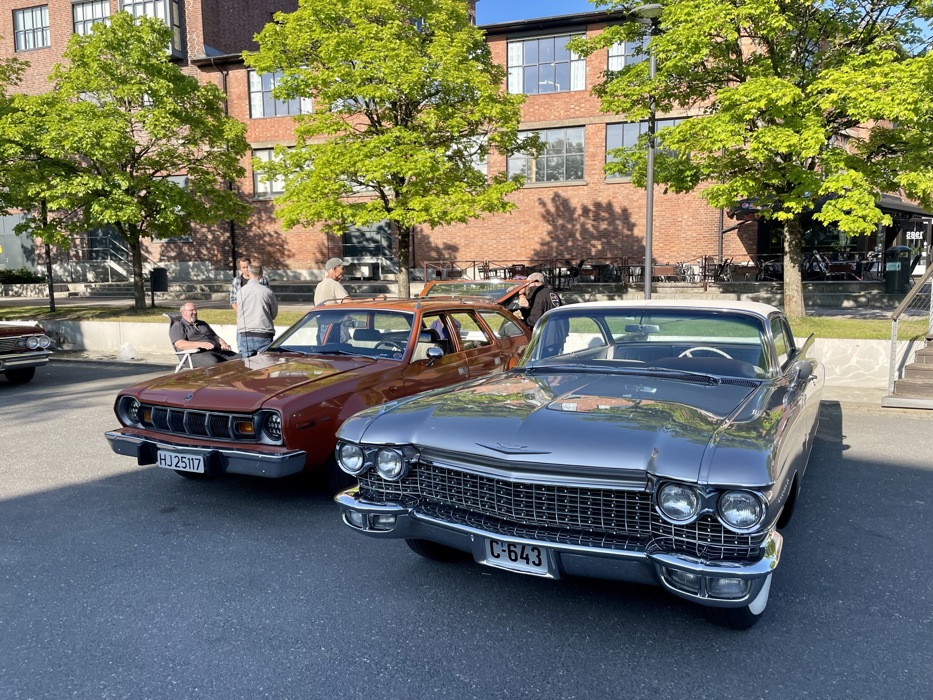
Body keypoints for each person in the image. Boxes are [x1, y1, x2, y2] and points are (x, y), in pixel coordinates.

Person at [169, 302, 239, 367]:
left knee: (241, 359)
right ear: (183, 312)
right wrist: (201, 344)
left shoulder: (202, 323)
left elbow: (215, 336)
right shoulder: (178, 326)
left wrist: (223, 343)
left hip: (216, 350)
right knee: (214, 363)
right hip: (195, 354)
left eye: (195, 310)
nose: (195, 312)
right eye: (191, 310)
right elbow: (180, 344)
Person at [235, 263, 279, 357]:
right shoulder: (267, 292)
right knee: (265, 363)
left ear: (249, 273)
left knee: (247, 364)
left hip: (245, 333)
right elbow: (274, 313)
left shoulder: (240, 292)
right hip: (263, 332)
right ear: (261, 274)